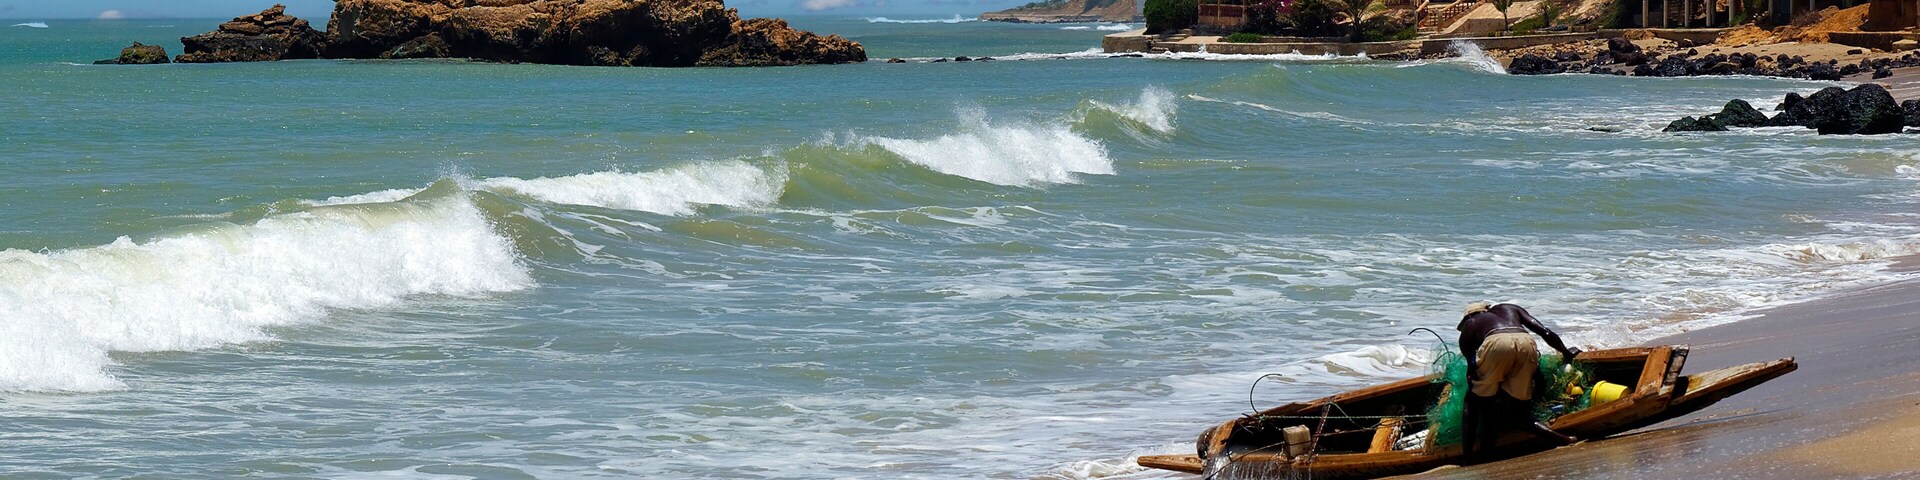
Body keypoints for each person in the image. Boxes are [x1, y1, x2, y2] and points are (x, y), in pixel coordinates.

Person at [1456, 302, 1581, 461]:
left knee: (1471, 401)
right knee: (1517, 411)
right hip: (1526, 342)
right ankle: (1562, 438)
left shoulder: (1471, 324)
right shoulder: (1509, 309)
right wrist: (1565, 352)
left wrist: (1478, 386)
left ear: (1469, 317)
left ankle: (1467, 457)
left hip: (1495, 344)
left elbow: (1472, 368)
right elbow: (1546, 332)